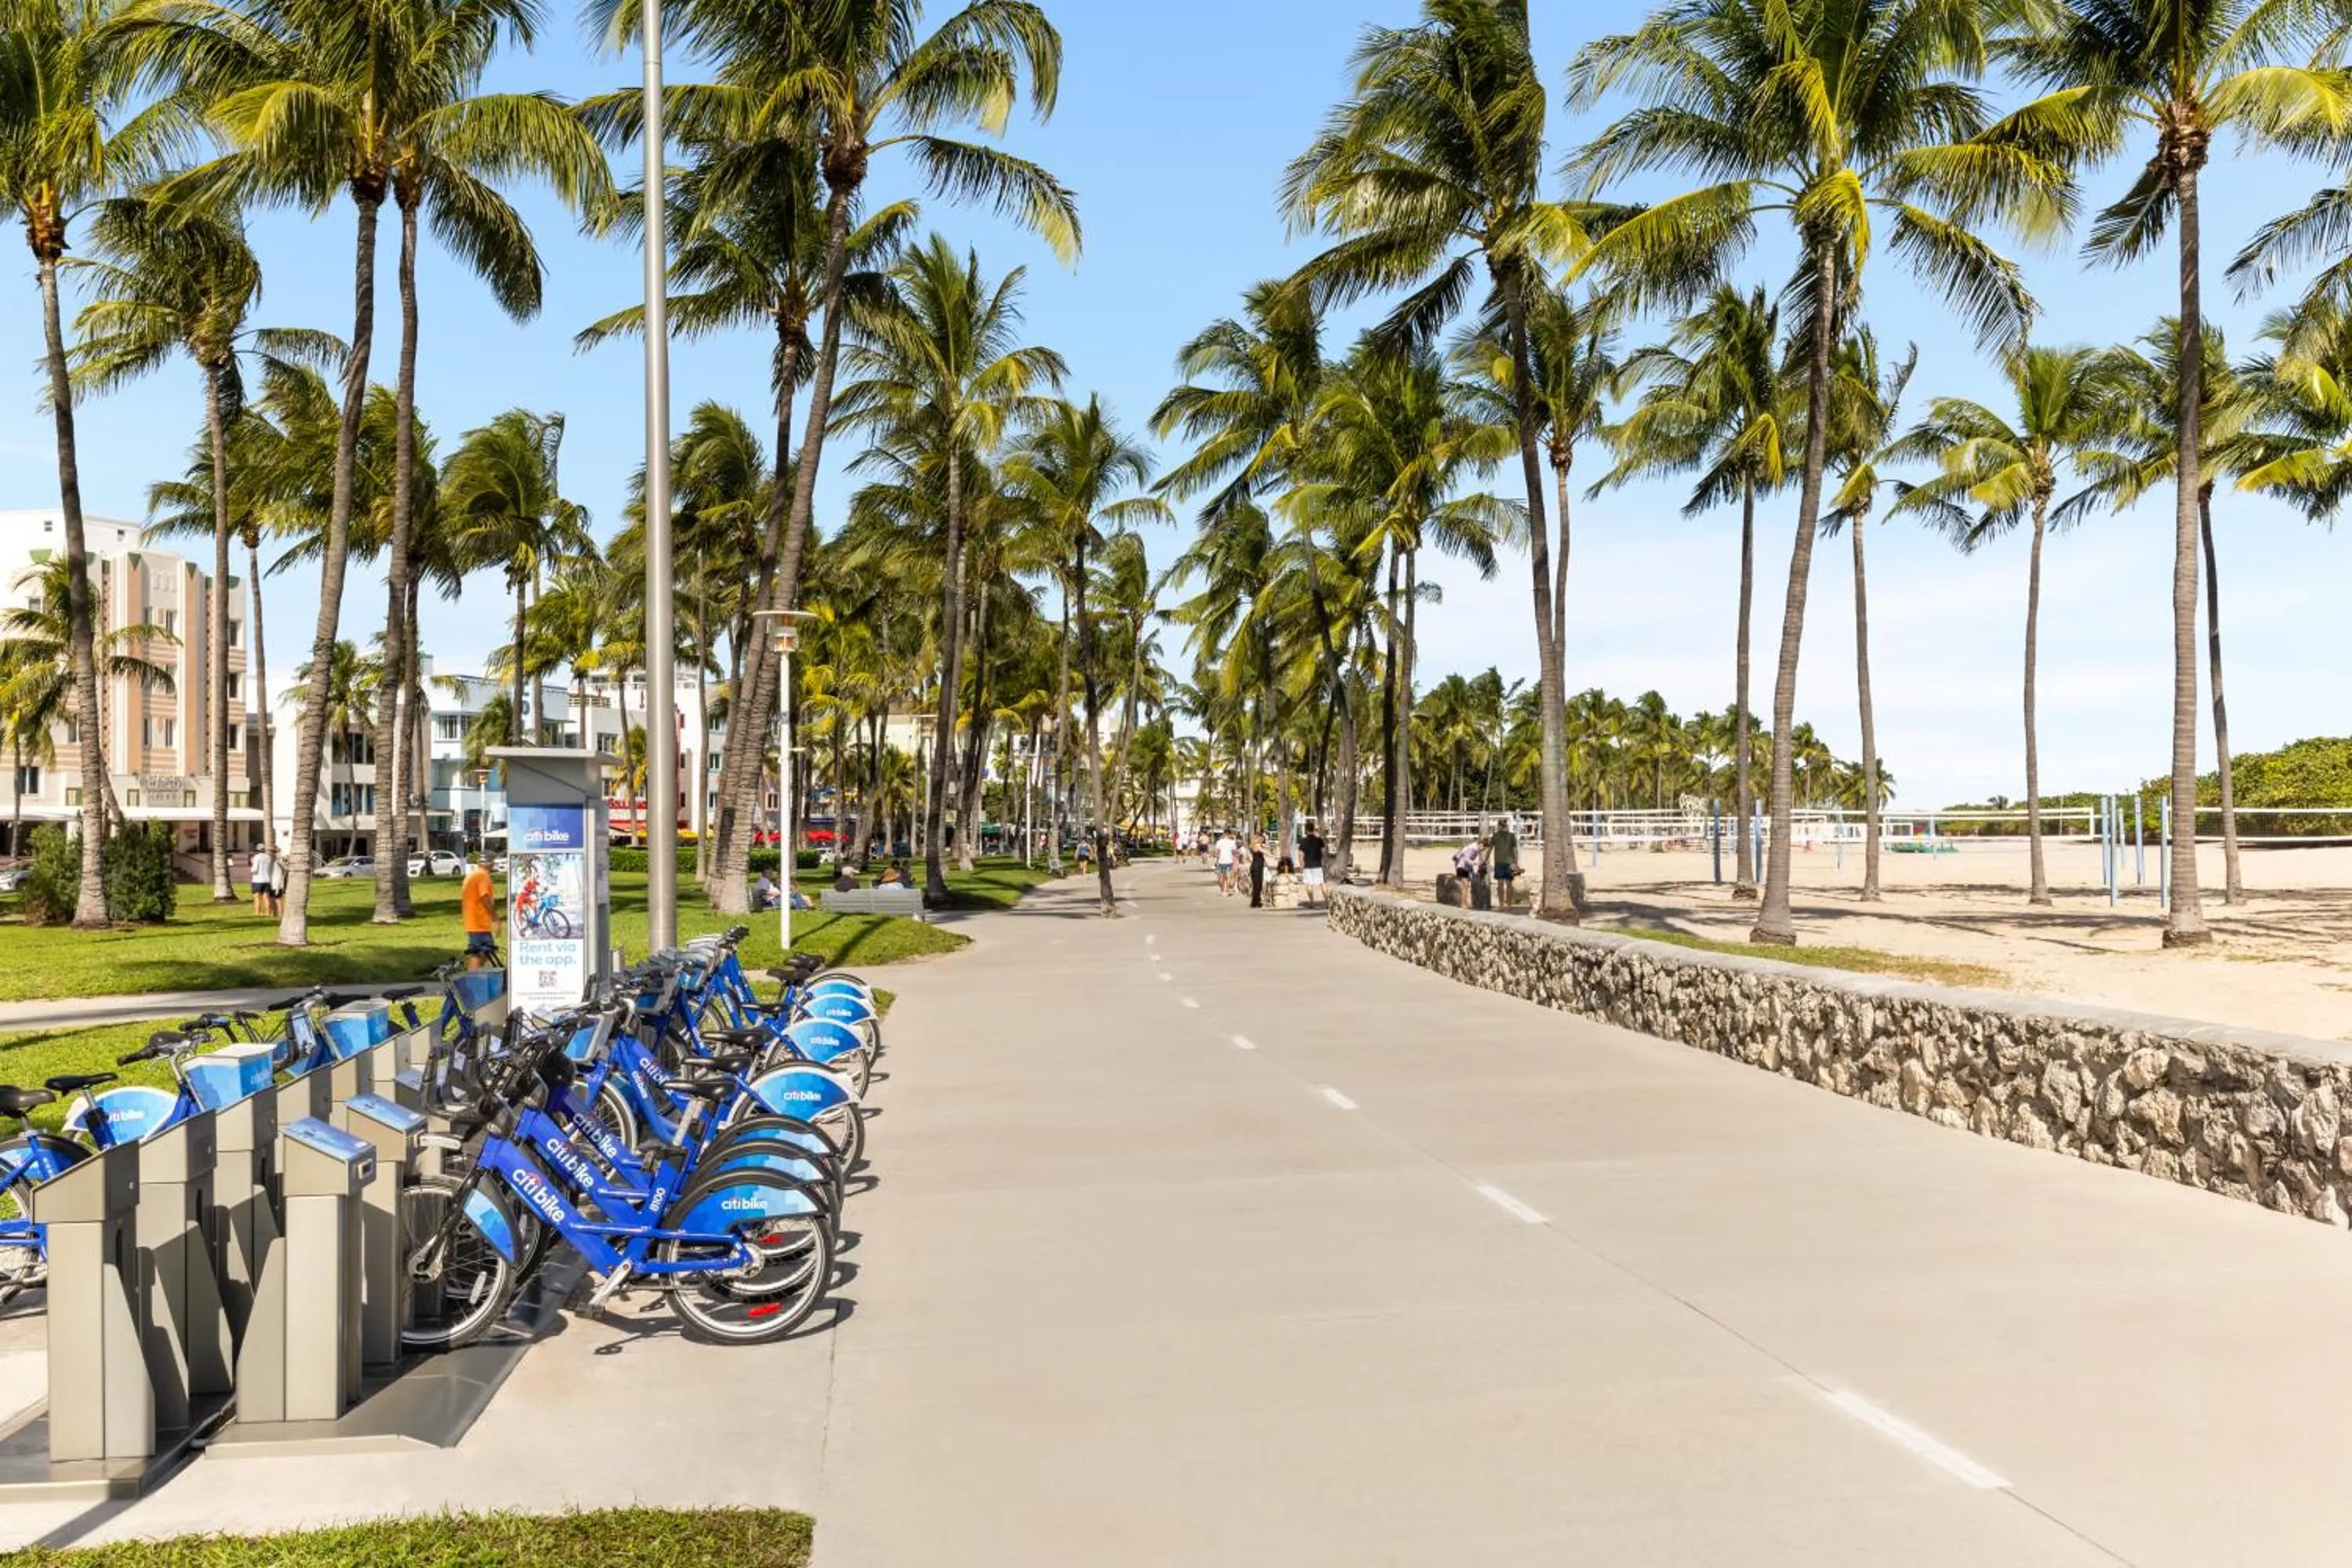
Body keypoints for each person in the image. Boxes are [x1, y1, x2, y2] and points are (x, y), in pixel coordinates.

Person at [460, 852, 498, 969]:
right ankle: (472, 978)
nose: (493, 864)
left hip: (473, 920)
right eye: (492, 862)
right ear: (489, 863)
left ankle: (474, 975)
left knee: (484, 950)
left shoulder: (473, 875)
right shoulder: (483, 876)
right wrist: (495, 917)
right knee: (479, 951)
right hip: (479, 922)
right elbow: (484, 897)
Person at [1489, 816, 1520, 910]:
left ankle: (1501, 904)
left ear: (1499, 826)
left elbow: (1490, 849)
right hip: (1510, 862)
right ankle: (1509, 905)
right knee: (1509, 883)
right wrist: (1516, 863)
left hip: (1499, 862)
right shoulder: (1511, 836)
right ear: (1507, 826)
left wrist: (1485, 859)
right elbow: (1515, 851)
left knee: (1500, 883)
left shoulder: (1495, 836)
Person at [1299, 820, 1328, 907]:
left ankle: (1312, 903)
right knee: (1322, 883)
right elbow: (1323, 852)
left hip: (1308, 865)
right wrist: (1322, 860)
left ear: (1306, 830)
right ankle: (1327, 901)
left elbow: (1301, 855)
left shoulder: (1303, 841)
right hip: (1317, 865)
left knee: (1309, 884)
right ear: (1313, 829)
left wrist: (1301, 864)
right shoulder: (1319, 840)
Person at [249, 842, 274, 916]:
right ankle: (268, 913)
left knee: (257, 898)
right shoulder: (268, 857)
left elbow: (254, 870)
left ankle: (257, 913)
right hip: (267, 880)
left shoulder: (256, 857)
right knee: (266, 898)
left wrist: (252, 863)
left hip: (257, 880)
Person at [1214, 828, 1236, 897]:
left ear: (1223, 834)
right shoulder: (1232, 842)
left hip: (1221, 861)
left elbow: (1216, 852)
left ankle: (1222, 891)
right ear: (1230, 834)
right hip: (1229, 861)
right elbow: (1234, 851)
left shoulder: (1219, 842)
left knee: (1221, 877)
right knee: (1229, 877)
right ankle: (1227, 891)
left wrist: (1217, 856)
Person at [1248, 833, 1267, 909]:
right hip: (1257, 867)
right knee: (1257, 885)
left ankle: (1256, 902)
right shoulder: (1257, 846)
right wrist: (1275, 856)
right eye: (1260, 839)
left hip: (1257, 867)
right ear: (1257, 839)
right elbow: (1265, 852)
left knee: (1258, 885)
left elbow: (1265, 847)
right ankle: (1255, 903)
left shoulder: (1254, 845)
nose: (1262, 841)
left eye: (1262, 840)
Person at [268, 846, 289, 915]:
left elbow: (280, 875)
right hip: (274, 884)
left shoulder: (278, 863)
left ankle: (280, 914)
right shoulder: (276, 862)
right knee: (272, 899)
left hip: (277, 885)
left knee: (278, 900)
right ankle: (274, 914)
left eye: (274, 852)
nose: (272, 854)